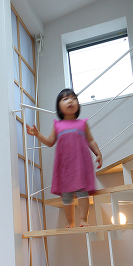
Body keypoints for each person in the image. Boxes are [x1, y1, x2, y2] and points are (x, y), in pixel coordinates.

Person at [26, 89, 102, 227]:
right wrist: (37, 134)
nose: (70, 101)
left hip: (80, 165)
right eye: (65, 99)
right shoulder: (57, 125)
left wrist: (98, 153)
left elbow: (91, 140)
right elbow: (50, 142)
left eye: (73, 98)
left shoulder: (82, 124)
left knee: (82, 192)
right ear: (59, 106)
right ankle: (70, 221)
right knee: (66, 196)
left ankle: (83, 219)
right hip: (65, 167)